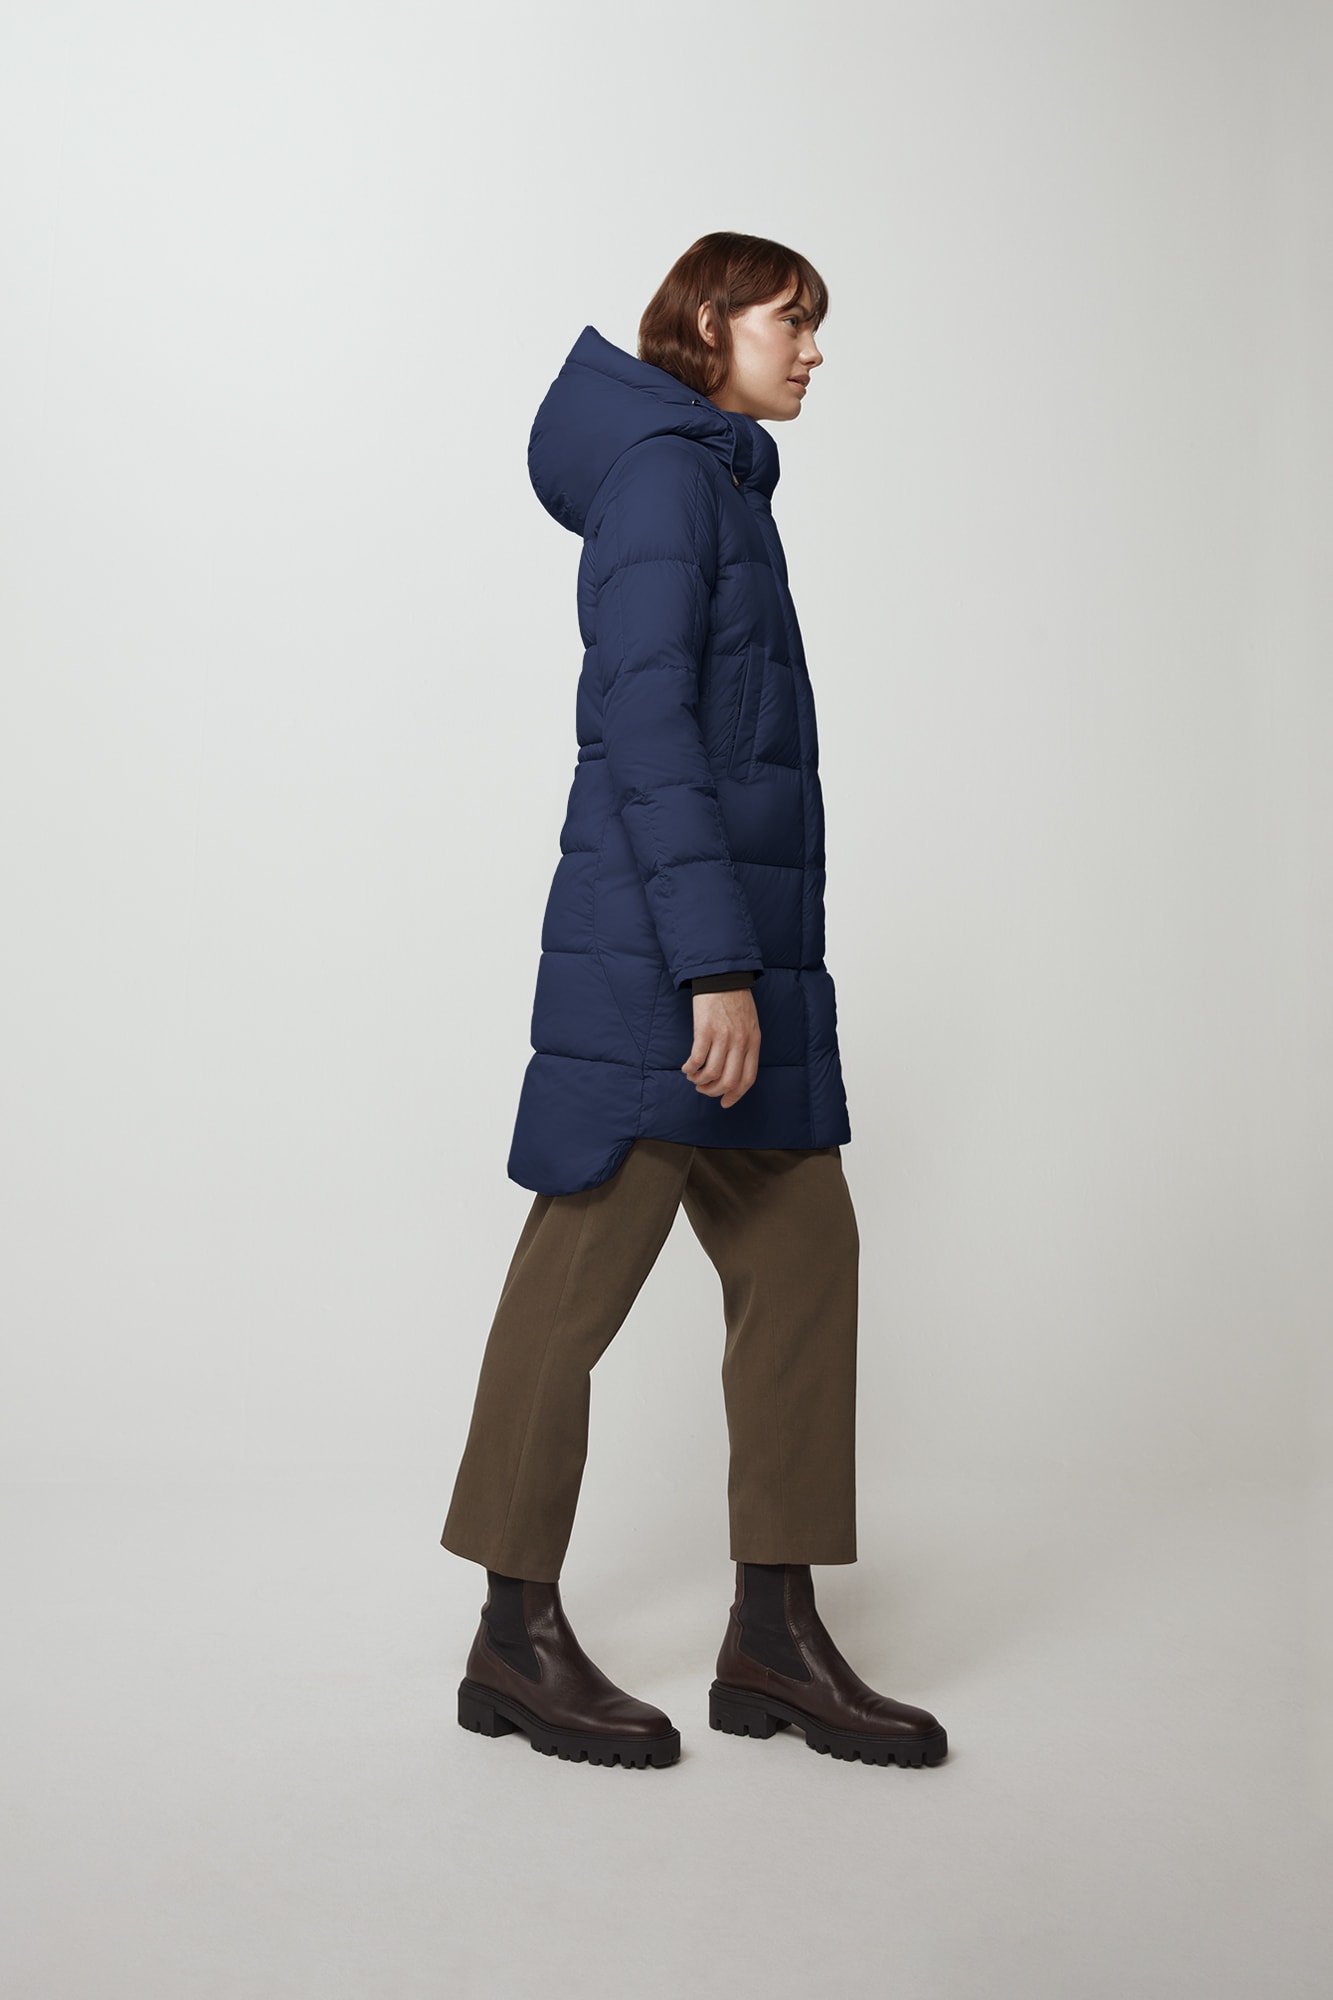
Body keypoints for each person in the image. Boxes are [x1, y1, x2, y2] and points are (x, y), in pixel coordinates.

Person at [440, 232, 947, 1772]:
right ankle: (512, 1636)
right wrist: (712, 968)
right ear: (710, 322)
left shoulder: (719, 482)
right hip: (665, 961)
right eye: (793, 321)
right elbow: (648, 728)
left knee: (803, 1253)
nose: (813, 350)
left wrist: (753, 964)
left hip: (746, 956)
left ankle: (773, 1637)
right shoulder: (666, 481)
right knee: (576, 1276)